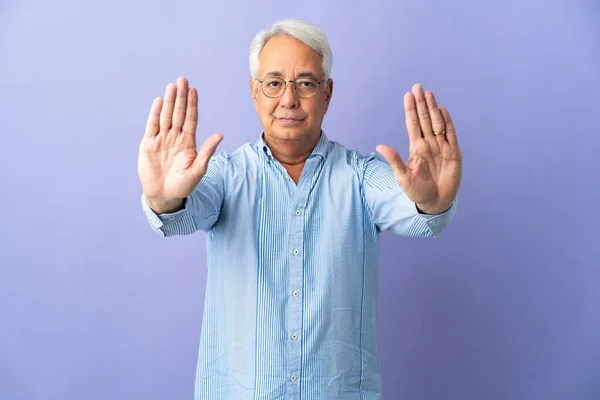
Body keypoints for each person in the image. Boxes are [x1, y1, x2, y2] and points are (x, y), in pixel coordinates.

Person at [138, 18, 462, 400]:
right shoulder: (223, 176)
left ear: (327, 94)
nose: (289, 99)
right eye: (274, 83)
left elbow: (411, 206)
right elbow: (184, 209)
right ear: (254, 92)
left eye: (305, 83)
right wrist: (163, 197)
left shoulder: (361, 176)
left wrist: (433, 200)